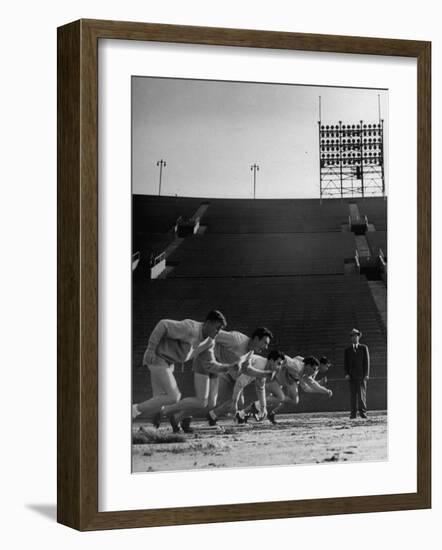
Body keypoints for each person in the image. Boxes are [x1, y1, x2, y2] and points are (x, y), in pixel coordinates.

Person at [132, 310, 228, 421]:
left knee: (158, 405)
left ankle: (146, 431)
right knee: (174, 396)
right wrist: (151, 348)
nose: (218, 332)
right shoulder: (190, 328)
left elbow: (210, 365)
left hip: (168, 364)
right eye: (217, 328)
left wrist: (227, 367)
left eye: (220, 329)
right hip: (157, 358)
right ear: (208, 322)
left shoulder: (209, 342)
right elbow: (163, 324)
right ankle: (133, 410)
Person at [152, 343, 250, 433]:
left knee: (210, 403)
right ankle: (165, 411)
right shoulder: (235, 340)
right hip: (210, 363)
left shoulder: (248, 356)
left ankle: (177, 418)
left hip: (219, 366)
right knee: (202, 401)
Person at [205, 327, 274, 425]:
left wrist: (263, 374)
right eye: (265, 343)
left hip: (229, 373)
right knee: (207, 401)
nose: (266, 347)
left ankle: (212, 415)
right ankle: (190, 415)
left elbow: (247, 371)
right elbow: (213, 333)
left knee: (238, 402)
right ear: (256, 339)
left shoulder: (250, 353)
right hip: (214, 365)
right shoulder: (236, 339)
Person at [259, 355, 333, 424]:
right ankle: (264, 406)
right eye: (327, 366)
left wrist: (322, 387)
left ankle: (268, 410)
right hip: (287, 377)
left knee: (287, 400)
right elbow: (307, 385)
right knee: (290, 399)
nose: (327, 369)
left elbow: (309, 383)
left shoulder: (311, 369)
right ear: (321, 364)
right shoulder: (304, 367)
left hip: (291, 378)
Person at [229, 350, 286, 423]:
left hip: (232, 374)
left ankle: (235, 418)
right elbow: (240, 383)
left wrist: (263, 407)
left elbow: (260, 388)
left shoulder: (264, 367)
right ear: (271, 361)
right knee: (236, 403)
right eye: (278, 363)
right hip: (226, 372)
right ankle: (212, 416)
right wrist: (234, 402)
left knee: (238, 403)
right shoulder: (260, 366)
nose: (279, 367)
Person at [344, 328, 370, 419]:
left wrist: (366, 374)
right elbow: (346, 363)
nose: (354, 337)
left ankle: (363, 413)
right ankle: (353, 414)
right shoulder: (347, 350)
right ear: (350, 338)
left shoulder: (364, 348)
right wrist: (346, 374)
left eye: (355, 335)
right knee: (352, 395)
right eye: (352, 336)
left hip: (361, 375)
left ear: (359, 337)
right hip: (351, 376)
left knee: (362, 395)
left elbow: (366, 362)